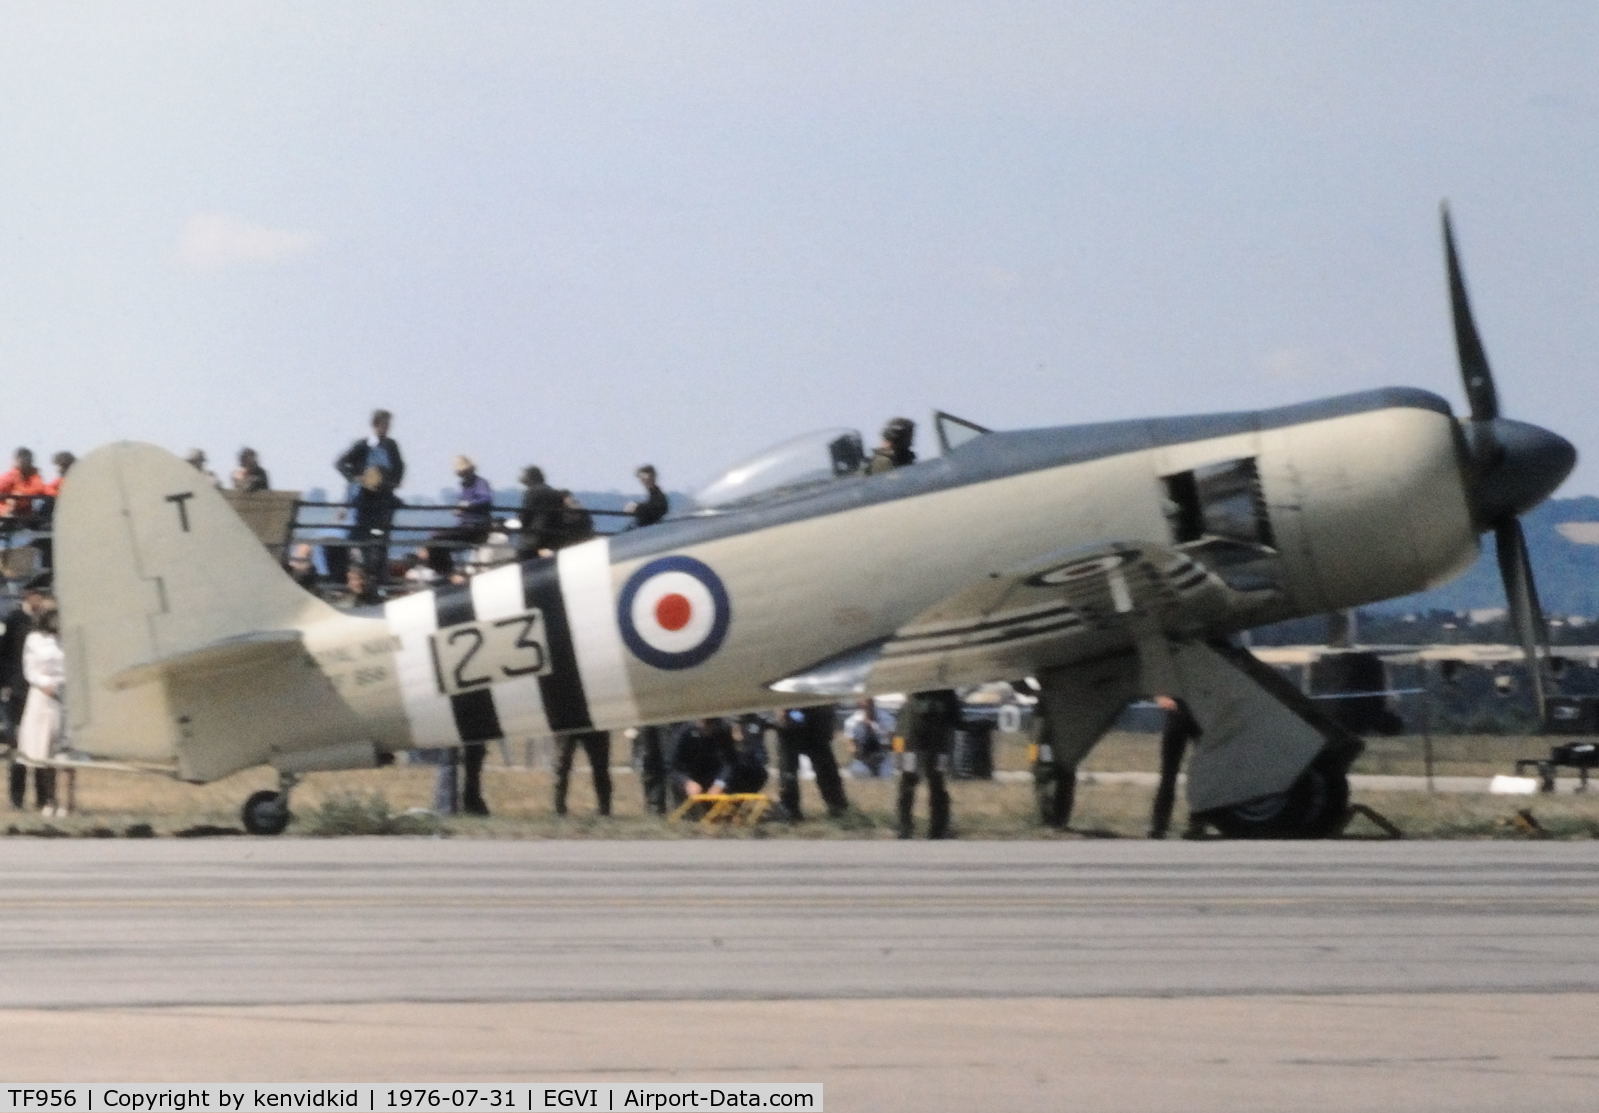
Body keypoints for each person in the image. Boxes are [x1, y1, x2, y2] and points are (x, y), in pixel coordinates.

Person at [332, 409, 405, 584]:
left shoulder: (391, 445)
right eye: (384, 424)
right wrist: (355, 478)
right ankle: (364, 578)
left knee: (380, 539)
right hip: (364, 501)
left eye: (388, 425)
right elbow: (340, 463)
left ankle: (378, 578)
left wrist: (393, 481)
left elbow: (400, 467)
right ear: (375, 425)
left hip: (383, 500)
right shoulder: (363, 445)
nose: (386, 428)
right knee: (363, 539)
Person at [0, 576, 51, 809]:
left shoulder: (48, 621)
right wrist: (6, 684)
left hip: (41, 691)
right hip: (19, 689)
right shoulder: (15, 620)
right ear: (27, 595)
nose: (39, 599)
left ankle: (43, 798)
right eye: (36, 594)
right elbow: (4, 654)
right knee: (19, 745)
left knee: (43, 745)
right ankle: (17, 798)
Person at [17, 605, 67, 816]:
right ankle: (47, 799)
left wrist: (60, 684)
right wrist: (45, 684)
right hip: (41, 696)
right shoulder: (34, 640)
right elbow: (29, 669)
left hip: (63, 696)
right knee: (40, 749)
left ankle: (64, 802)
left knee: (62, 751)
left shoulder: (66, 639)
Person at [895, 688, 962, 839]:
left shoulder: (947, 692)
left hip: (936, 730)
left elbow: (955, 711)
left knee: (935, 780)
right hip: (912, 729)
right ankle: (904, 827)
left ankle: (938, 828)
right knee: (909, 778)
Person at [774, 705, 849, 820]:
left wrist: (828, 718)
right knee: (788, 772)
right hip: (792, 715)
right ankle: (790, 811)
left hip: (816, 717)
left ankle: (838, 809)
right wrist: (784, 711)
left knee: (826, 769)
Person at [668, 717, 767, 805]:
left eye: (710, 726)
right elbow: (673, 767)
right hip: (690, 777)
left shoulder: (722, 731)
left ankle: (733, 807)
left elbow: (729, 761)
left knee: (756, 772)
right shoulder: (683, 733)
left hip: (714, 774)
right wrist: (686, 782)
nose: (707, 731)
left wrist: (719, 783)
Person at [426, 456, 494, 575]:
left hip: (476, 525)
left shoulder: (480, 483)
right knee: (434, 537)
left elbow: (485, 498)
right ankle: (446, 571)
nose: (463, 475)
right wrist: (460, 509)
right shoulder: (463, 485)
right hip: (465, 524)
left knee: (437, 538)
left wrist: (468, 505)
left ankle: (447, 573)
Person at [1148, 695, 1201, 839]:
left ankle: (1195, 822)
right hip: (1182, 713)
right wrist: (1160, 698)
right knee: (1169, 774)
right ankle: (1160, 825)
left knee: (1199, 773)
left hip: (1193, 714)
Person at [553, 730, 612, 817]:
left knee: (600, 765)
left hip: (594, 724)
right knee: (562, 765)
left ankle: (605, 809)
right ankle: (559, 808)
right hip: (568, 723)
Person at [516, 466, 565, 560]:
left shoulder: (531, 492)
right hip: (552, 537)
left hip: (532, 540)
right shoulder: (554, 492)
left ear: (530, 477)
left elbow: (525, 516)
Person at [844, 697, 894, 777]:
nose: (866, 705)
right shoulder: (851, 721)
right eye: (863, 703)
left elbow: (893, 740)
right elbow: (850, 744)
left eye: (869, 702)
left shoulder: (887, 719)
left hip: (883, 761)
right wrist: (858, 752)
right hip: (861, 762)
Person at [0, 448, 51, 524]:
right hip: (7, 512)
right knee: (16, 497)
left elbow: (41, 489)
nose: (26, 463)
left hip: (27, 513)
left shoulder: (35, 476)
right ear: (16, 460)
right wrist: (11, 498)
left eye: (28, 460)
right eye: (23, 460)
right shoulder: (10, 476)